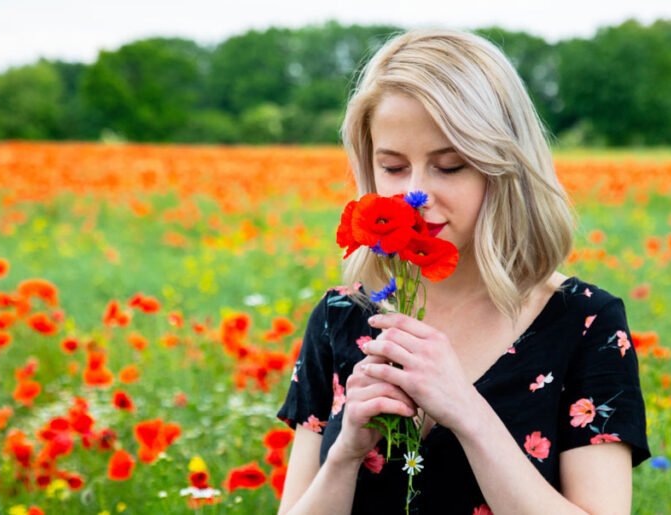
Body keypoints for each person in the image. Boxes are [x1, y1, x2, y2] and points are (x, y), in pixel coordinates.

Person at [276, 29, 649, 514]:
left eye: (449, 166)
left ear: (504, 167)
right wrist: (345, 454)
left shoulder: (584, 324)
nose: (416, 193)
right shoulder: (341, 317)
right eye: (392, 166)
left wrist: (468, 412)